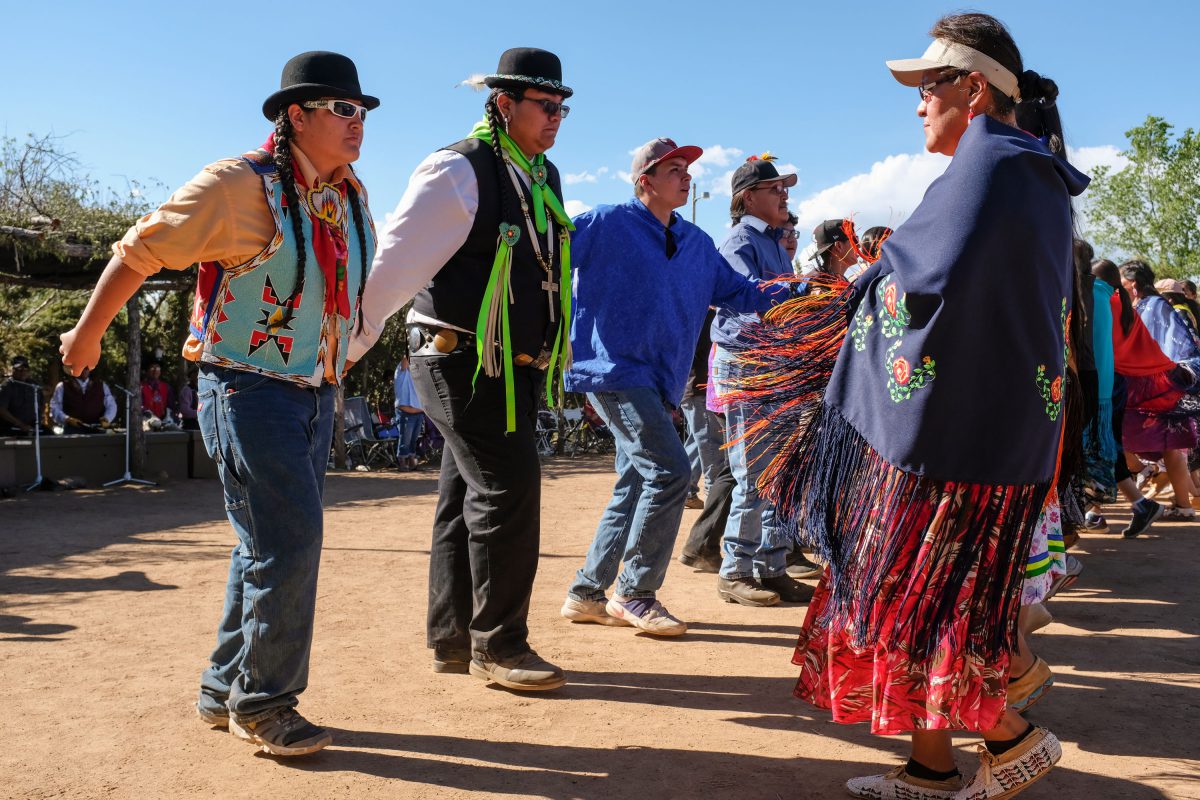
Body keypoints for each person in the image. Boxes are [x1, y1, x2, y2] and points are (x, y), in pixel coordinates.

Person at [734, 13, 1084, 797]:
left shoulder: (997, 168)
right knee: (919, 593)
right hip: (974, 437)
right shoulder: (1012, 169)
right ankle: (931, 769)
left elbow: (927, 283)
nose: (919, 104)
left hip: (956, 447)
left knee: (914, 594)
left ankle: (1012, 735)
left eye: (929, 87)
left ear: (974, 87)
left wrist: (861, 286)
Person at [59, 51, 378, 756]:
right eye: (343, 110)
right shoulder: (236, 185)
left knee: (264, 545)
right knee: (289, 543)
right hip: (246, 388)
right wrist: (87, 335)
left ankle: (224, 687)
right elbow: (140, 251)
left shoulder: (347, 194)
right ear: (296, 116)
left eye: (364, 111)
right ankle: (264, 704)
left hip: (314, 391)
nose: (360, 123)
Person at [346, 48, 574, 692]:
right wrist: (345, 351)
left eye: (563, 107)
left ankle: (452, 638)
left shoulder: (541, 173)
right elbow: (395, 267)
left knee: (463, 495)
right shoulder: (458, 168)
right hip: (459, 358)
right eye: (545, 106)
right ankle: (499, 645)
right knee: (507, 487)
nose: (557, 117)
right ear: (504, 104)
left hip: (511, 366)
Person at [559, 138, 788, 634]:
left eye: (688, 169)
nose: (686, 177)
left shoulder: (696, 244)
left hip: (661, 378)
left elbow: (741, 294)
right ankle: (636, 592)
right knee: (669, 474)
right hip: (613, 369)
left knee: (636, 480)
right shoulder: (604, 222)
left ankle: (586, 592)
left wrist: (800, 293)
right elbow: (547, 263)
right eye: (674, 169)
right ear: (644, 179)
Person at [710, 154, 812, 607]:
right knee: (753, 474)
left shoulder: (771, 240)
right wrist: (801, 293)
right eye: (775, 188)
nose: (784, 194)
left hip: (773, 363)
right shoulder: (740, 241)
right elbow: (745, 293)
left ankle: (771, 567)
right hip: (749, 363)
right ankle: (734, 571)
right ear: (748, 197)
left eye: (784, 187)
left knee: (779, 472)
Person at [50, 366, 117, 433]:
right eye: (82, 367)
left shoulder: (101, 386)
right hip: (72, 431)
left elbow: (111, 405)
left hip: (97, 430)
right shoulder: (62, 386)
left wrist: (107, 418)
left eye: (87, 368)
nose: (85, 370)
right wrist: (67, 419)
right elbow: (55, 408)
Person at [393, 356, 422, 469]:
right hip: (405, 413)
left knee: (413, 440)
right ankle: (402, 463)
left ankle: (412, 463)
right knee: (405, 439)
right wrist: (412, 343)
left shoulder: (416, 375)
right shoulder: (401, 372)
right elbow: (406, 359)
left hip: (418, 413)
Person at [0, 356, 38, 436]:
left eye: (25, 369)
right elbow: (2, 410)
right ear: (13, 370)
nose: (23, 372)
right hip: (10, 430)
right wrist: (20, 424)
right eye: (19, 369)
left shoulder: (33, 385)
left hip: (31, 429)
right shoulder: (7, 386)